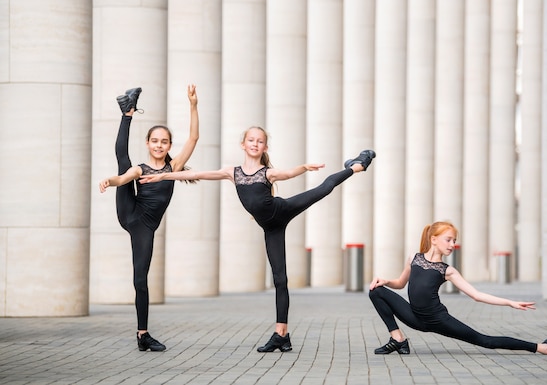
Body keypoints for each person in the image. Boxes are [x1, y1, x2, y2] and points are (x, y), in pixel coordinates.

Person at [139, 126, 376, 352]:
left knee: (323, 189)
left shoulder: (267, 173)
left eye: (260, 141)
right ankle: (281, 335)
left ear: (265, 147)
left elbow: (287, 173)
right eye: (251, 140)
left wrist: (304, 167)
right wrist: (163, 176)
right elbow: (198, 173)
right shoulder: (232, 172)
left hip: (282, 210)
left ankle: (357, 166)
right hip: (271, 229)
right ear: (243, 144)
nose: (255, 143)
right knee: (279, 279)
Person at [368, 221, 547, 356]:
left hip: (439, 320)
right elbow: (401, 284)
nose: (452, 244)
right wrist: (385, 281)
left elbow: (476, 295)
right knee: (376, 291)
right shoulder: (413, 258)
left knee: (485, 341)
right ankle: (398, 339)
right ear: (434, 239)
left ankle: (544, 347)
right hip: (413, 316)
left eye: (454, 241)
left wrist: (510, 302)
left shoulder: (447, 270)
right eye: (448, 240)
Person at [99, 85, 200, 352]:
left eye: (164, 142)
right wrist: (109, 182)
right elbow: (122, 178)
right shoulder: (140, 169)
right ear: (148, 143)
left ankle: (142, 334)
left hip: (145, 227)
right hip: (130, 213)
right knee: (123, 163)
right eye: (154, 141)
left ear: (168, 145)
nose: (159, 145)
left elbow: (193, 139)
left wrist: (193, 105)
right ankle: (127, 112)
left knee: (140, 279)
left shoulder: (172, 168)